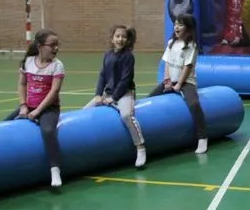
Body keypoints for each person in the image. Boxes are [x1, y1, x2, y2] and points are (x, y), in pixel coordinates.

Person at [4, 29, 65, 188]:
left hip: (49, 108)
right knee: (5, 124)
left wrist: (37, 112)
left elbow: (54, 92)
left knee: (47, 130)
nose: (56, 48)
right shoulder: (28, 62)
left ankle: (55, 168)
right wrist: (23, 106)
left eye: (57, 45)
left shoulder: (57, 66)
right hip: (29, 106)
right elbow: (22, 84)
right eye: (52, 45)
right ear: (40, 46)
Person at [84, 25, 147, 168]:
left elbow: (125, 80)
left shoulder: (128, 56)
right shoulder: (108, 55)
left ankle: (140, 147)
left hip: (125, 93)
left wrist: (114, 98)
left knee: (126, 115)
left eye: (123, 36)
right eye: (117, 36)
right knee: (85, 110)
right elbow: (102, 75)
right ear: (112, 39)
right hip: (108, 93)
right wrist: (98, 95)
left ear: (127, 39)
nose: (120, 39)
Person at [147, 13, 207, 154]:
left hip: (186, 82)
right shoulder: (171, 43)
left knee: (194, 104)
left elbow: (188, 67)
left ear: (188, 28)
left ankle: (202, 138)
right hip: (171, 80)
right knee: (150, 98)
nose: (176, 27)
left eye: (180, 24)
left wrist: (179, 84)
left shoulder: (191, 46)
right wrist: (167, 80)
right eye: (175, 24)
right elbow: (167, 63)